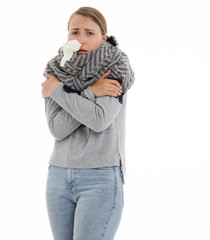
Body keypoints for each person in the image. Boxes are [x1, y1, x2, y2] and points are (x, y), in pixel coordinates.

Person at [41, 6, 135, 240]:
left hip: (100, 176)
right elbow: (57, 128)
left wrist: (60, 92)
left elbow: (98, 119)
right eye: (75, 32)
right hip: (58, 175)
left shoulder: (115, 69)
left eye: (89, 33)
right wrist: (92, 91)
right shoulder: (56, 71)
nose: (81, 40)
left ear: (103, 38)